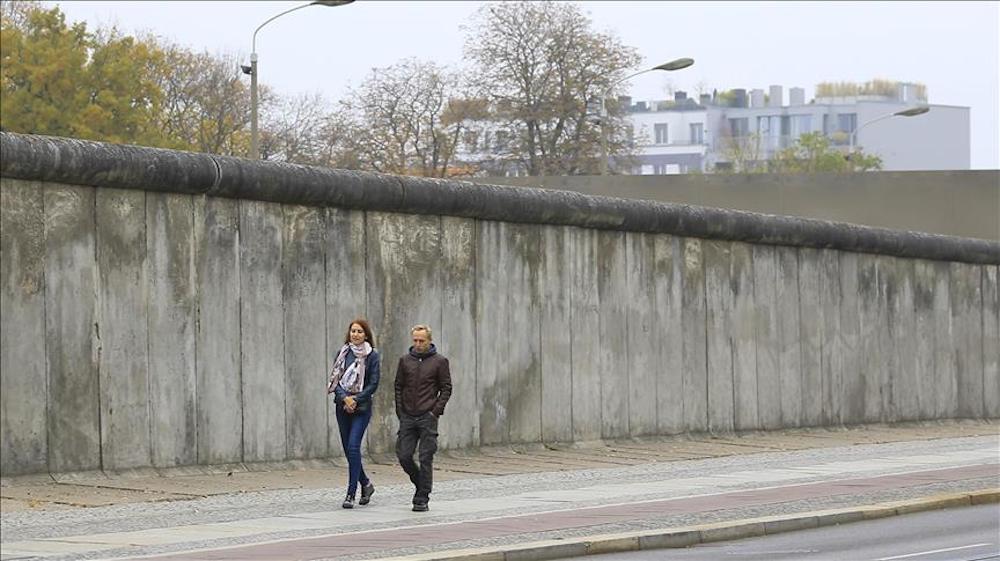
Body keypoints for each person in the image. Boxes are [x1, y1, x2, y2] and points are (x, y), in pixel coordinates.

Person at [395, 324, 452, 512]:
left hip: (427, 416)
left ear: (429, 341)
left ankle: (422, 497)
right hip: (408, 416)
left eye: (422, 340)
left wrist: (435, 411)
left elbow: (446, 388)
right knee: (404, 455)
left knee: (426, 457)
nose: (418, 344)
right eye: (415, 340)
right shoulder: (405, 361)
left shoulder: (439, 361)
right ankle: (421, 483)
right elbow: (398, 386)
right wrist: (400, 411)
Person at [328, 318, 381, 509]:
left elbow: (373, 383)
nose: (355, 334)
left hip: (361, 408)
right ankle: (366, 484)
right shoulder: (342, 353)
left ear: (366, 335)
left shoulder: (372, 356)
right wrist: (345, 398)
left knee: (353, 447)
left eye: (359, 331)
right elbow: (335, 380)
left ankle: (351, 494)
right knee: (348, 450)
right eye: (353, 331)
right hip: (342, 407)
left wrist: (356, 399)